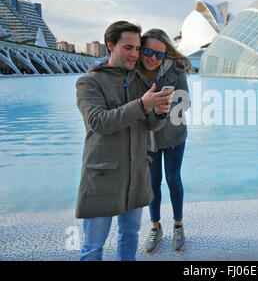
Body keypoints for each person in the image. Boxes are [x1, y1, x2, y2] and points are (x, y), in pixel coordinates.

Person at [75, 21, 173, 261]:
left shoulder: (140, 82)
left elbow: (150, 126)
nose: (135, 54)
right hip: (102, 177)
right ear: (110, 46)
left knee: (130, 237)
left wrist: (159, 113)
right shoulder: (89, 82)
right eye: (128, 48)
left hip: (135, 175)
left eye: (138, 49)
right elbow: (98, 122)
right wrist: (142, 105)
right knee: (92, 247)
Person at [134, 28, 191, 253]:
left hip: (174, 133)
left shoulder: (176, 70)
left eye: (159, 54)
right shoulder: (134, 70)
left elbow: (185, 102)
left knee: (173, 179)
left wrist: (165, 109)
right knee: (152, 182)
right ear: (141, 50)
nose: (153, 58)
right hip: (148, 137)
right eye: (148, 51)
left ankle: (178, 225)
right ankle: (156, 227)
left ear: (166, 54)